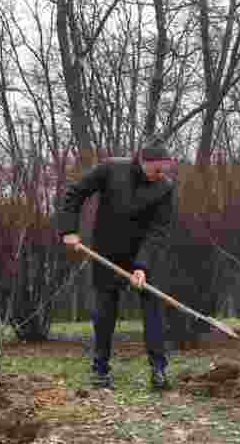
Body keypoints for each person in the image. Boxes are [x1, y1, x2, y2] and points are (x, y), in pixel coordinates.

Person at [59, 138, 176, 390]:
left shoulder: (165, 188)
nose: (161, 174)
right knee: (104, 312)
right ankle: (100, 369)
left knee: (153, 311)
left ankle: (159, 370)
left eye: (164, 169)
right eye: (157, 168)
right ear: (143, 161)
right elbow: (75, 192)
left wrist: (142, 266)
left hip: (143, 255)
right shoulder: (110, 169)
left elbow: (158, 230)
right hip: (107, 252)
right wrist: (69, 229)